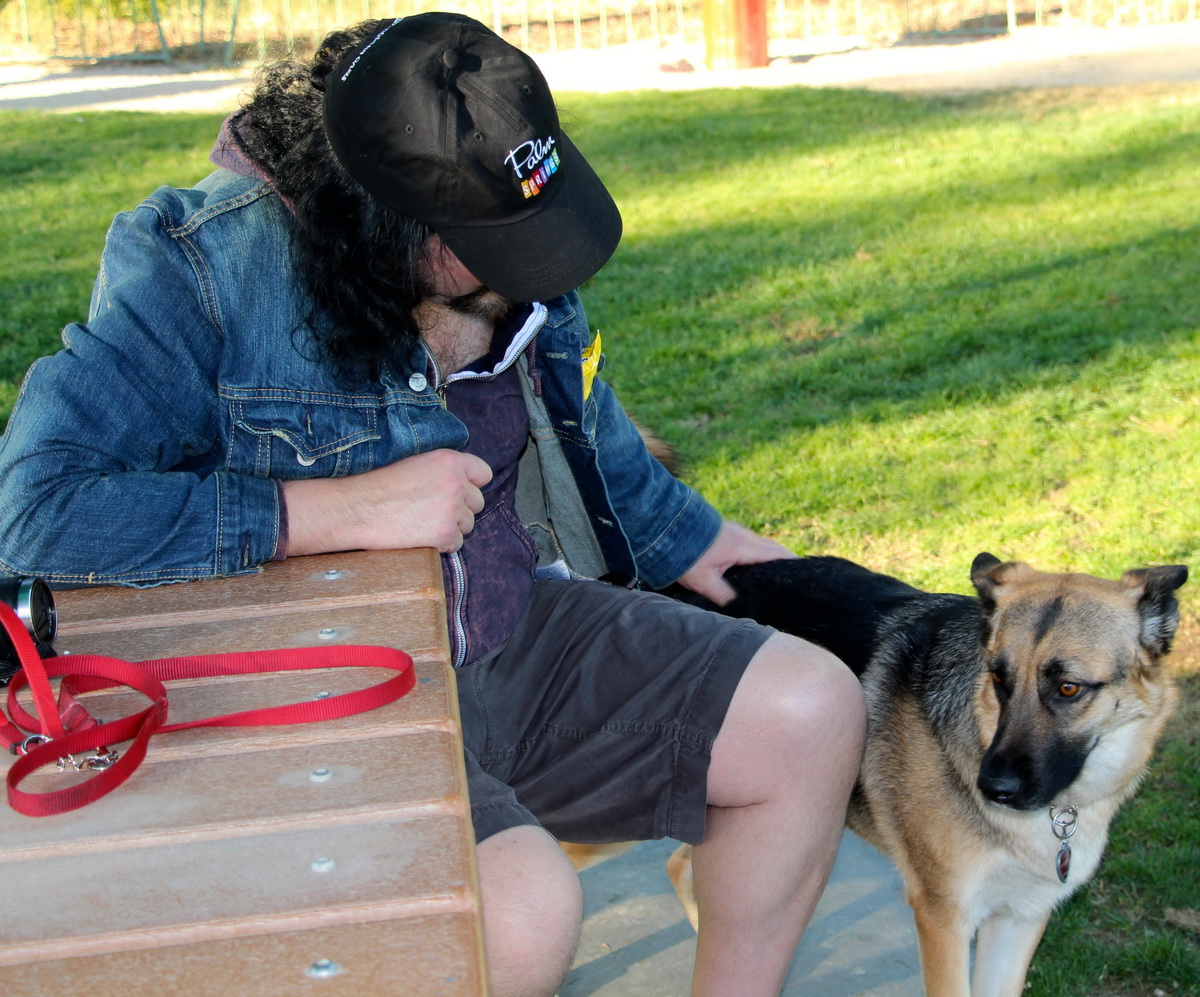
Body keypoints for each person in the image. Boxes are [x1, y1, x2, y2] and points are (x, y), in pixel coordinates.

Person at [0, 13, 865, 996]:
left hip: (501, 635)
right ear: (385, 221)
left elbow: (587, 423)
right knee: (522, 917)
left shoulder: (512, 243)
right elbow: (35, 509)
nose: (535, 265)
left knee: (810, 709)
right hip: (323, 694)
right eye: (499, 241)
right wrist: (338, 511)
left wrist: (696, 540)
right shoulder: (203, 265)